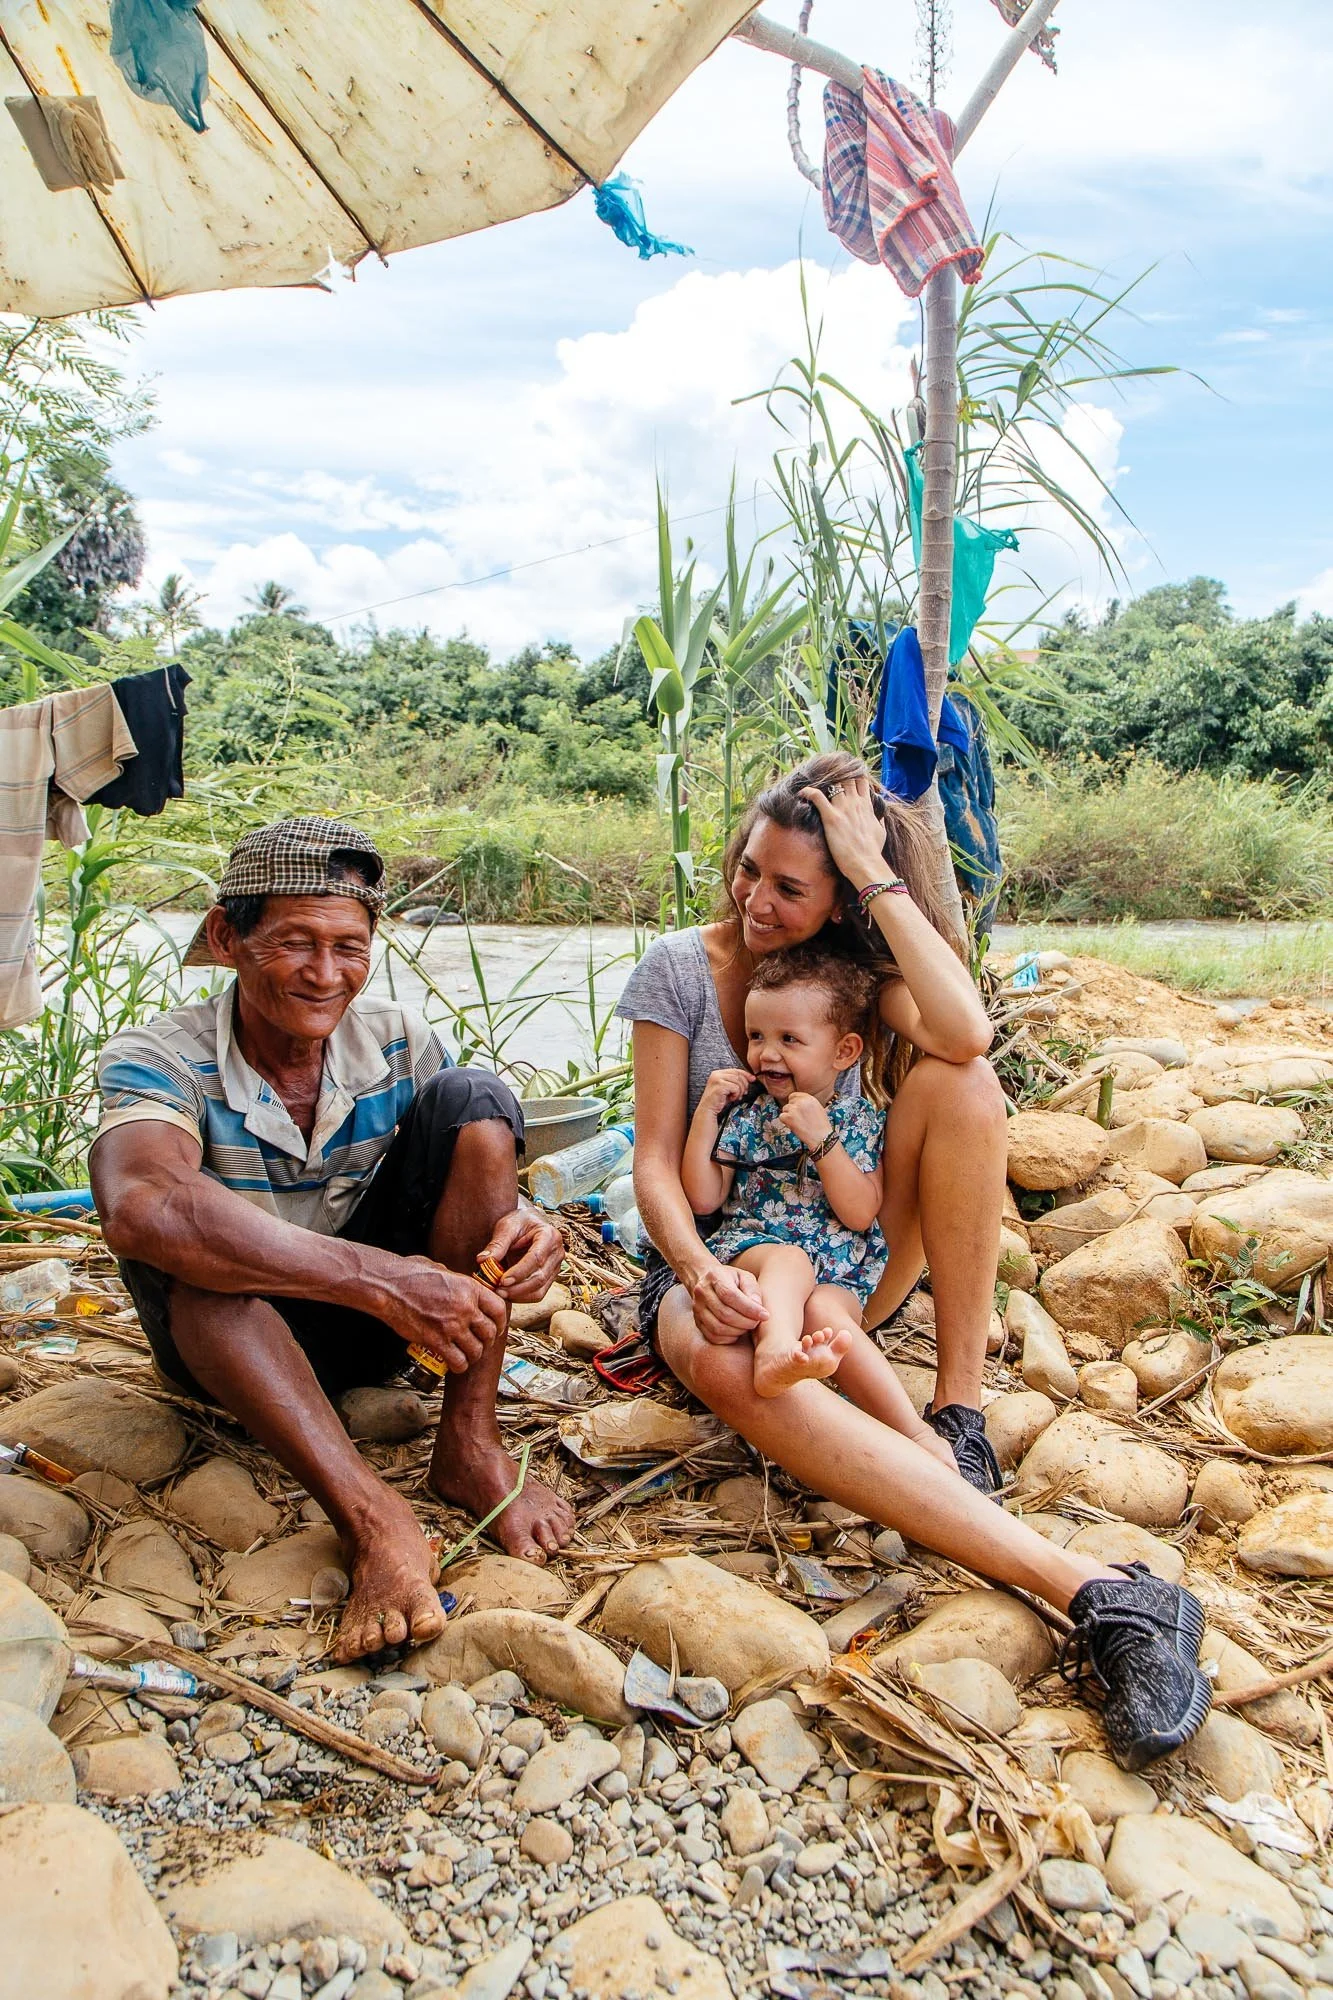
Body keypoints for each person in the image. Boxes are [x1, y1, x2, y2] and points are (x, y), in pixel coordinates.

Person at [618, 755, 1211, 1769]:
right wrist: (695, 1265)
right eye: (749, 870)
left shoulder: (848, 980)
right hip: (719, 1262)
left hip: (846, 1255)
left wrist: (871, 869)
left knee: (966, 1084)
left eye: (791, 886)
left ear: (837, 898)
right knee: (726, 1355)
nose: (757, 900)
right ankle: (1100, 1593)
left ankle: (959, 1413)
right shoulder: (677, 969)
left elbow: (967, 1030)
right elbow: (651, 1160)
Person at [90, 816, 574, 1663]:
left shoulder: (395, 1040)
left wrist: (528, 1222)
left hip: (380, 1337)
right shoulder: (160, 1053)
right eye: (295, 943)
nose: (326, 974)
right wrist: (384, 1280)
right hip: (231, 1344)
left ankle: (468, 1445)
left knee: (474, 1100)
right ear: (225, 937)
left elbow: (473, 1174)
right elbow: (141, 1203)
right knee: (200, 1252)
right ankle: (373, 1518)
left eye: (349, 946)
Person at [682, 948, 955, 1459]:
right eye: (756, 1037)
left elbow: (859, 1212)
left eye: (789, 1039)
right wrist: (706, 1114)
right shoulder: (748, 1116)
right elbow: (704, 1195)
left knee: (829, 1312)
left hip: (838, 1264)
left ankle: (914, 1433)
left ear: (844, 1052)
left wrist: (823, 1141)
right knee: (790, 1261)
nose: (766, 1054)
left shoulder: (856, 1121)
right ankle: (775, 1353)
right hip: (757, 1246)